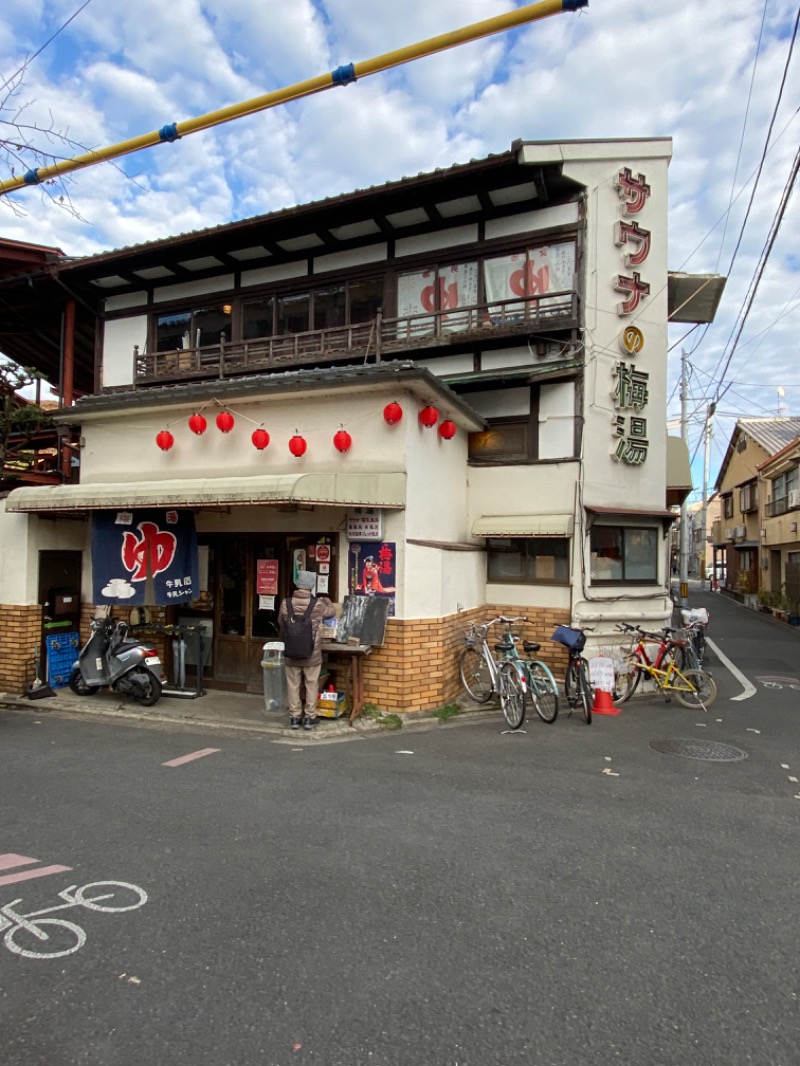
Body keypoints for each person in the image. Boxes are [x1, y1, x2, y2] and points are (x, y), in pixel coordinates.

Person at [278, 570, 337, 731]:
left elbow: (281, 624)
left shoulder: (286, 603)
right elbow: (331, 613)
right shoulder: (317, 604)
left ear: (297, 585)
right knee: (311, 684)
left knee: (293, 685)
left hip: (291, 651)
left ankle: (295, 718)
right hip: (312, 652)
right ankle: (310, 717)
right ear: (311, 586)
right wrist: (328, 601)